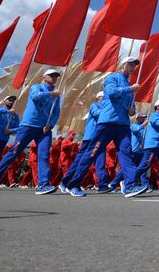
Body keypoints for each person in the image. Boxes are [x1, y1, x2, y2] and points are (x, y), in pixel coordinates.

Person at [66, 57, 142, 197]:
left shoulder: (131, 86)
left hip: (123, 125)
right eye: (130, 64)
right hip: (108, 122)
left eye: (134, 66)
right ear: (122, 66)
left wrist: (132, 107)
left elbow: (132, 111)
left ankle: (130, 186)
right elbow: (112, 93)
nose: (132, 67)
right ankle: (74, 184)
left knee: (126, 154)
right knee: (92, 153)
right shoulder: (112, 78)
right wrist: (130, 89)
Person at [0, 69, 62, 195]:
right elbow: (35, 97)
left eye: (56, 76)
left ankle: (43, 185)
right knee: (14, 152)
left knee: (44, 155)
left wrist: (51, 125)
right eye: (51, 75)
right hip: (28, 125)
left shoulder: (56, 95)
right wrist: (52, 93)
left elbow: (56, 113)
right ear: (44, 77)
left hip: (44, 129)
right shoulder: (36, 87)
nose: (54, 78)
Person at [58, 91, 106, 193]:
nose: (105, 100)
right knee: (79, 162)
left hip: (100, 138)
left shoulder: (105, 107)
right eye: (103, 98)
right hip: (90, 138)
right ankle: (65, 182)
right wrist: (108, 110)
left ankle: (102, 184)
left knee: (101, 162)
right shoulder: (95, 106)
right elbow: (98, 114)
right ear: (99, 98)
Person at [110, 113, 147, 193]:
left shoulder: (143, 128)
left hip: (140, 151)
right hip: (134, 151)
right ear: (138, 118)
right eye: (142, 117)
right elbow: (136, 130)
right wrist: (143, 125)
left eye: (144, 118)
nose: (144, 119)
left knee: (142, 168)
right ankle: (114, 183)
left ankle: (144, 183)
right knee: (127, 168)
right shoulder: (134, 126)